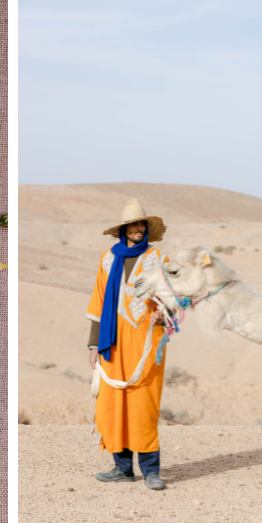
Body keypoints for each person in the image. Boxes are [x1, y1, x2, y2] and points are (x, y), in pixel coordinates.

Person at [86, 197, 171, 489]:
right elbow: (99, 301)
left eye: (141, 224)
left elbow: (171, 296)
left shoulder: (157, 258)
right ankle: (122, 469)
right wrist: (93, 344)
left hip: (147, 342)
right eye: (133, 225)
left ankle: (151, 471)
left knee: (143, 405)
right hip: (113, 342)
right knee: (114, 404)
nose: (137, 229)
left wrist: (164, 311)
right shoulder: (107, 259)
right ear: (123, 229)